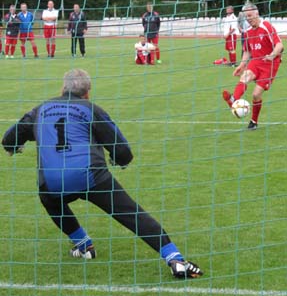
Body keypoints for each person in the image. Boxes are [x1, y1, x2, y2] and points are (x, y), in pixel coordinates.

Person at [2, 69, 203, 279]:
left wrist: (14, 146)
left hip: (53, 182)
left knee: (49, 199)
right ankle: (175, 259)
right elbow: (122, 149)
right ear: (87, 92)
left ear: (62, 88)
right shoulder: (91, 109)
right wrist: (120, 160)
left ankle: (84, 246)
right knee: (131, 213)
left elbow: (10, 138)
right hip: (93, 177)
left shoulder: (40, 109)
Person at [222, 3, 284, 130]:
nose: (249, 19)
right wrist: (242, 65)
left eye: (250, 15)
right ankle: (234, 100)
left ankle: (254, 122)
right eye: (246, 17)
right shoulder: (248, 32)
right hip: (256, 61)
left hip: (270, 63)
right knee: (245, 76)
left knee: (256, 95)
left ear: (257, 13)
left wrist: (272, 55)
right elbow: (247, 51)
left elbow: (280, 45)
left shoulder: (266, 26)